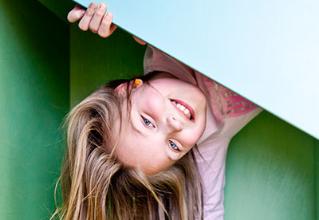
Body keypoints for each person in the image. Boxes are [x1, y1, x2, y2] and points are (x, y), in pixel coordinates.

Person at [51, 3, 262, 220]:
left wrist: (124, 10)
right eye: (173, 145)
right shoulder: (208, 138)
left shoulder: (162, 37)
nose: (174, 125)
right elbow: (208, 212)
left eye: (147, 122)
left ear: (127, 89)